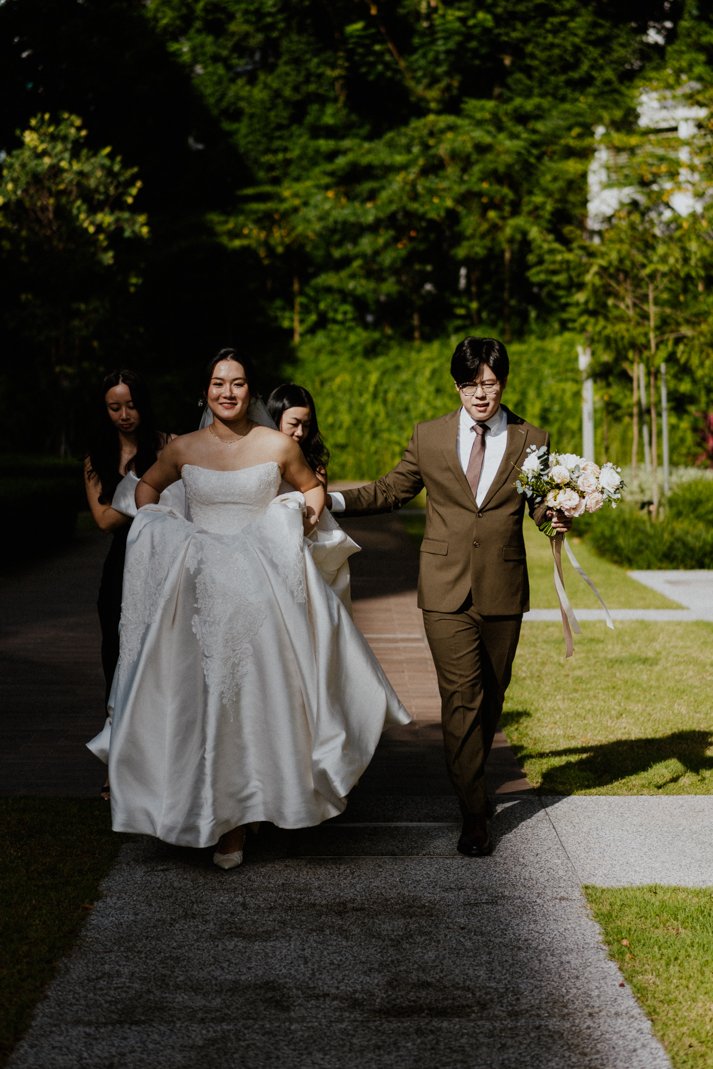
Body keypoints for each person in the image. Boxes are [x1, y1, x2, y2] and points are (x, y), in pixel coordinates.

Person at [88, 349, 410, 870]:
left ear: (250, 392)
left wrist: (300, 519)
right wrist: (165, 533)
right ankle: (211, 813)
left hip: (262, 590)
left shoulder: (277, 444)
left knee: (261, 702)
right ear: (205, 391)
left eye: (237, 383)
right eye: (218, 383)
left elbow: (312, 487)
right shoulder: (182, 448)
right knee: (202, 704)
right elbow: (146, 490)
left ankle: (259, 804)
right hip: (202, 595)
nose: (227, 392)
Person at [329, 336, 570, 858]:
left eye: (489, 383)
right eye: (469, 385)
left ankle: (470, 779)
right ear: (457, 386)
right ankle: (475, 813)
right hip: (443, 589)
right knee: (461, 698)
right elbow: (391, 490)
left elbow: (538, 504)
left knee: (492, 697)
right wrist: (329, 501)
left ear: (503, 382)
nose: (480, 394)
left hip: (503, 587)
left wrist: (556, 514)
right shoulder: (430, 436)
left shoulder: (532, 439)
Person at [83, 369, 174, 797]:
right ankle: (116, 761)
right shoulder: (95, 457)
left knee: (164, 661)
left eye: (131, 405)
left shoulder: (167, 445)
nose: (124, 415)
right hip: (122, 566)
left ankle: (163, 759)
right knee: (118, 659)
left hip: (166, 559)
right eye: (114, 407)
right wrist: (144, 491)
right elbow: (103, 520)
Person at [266, 383, 329, 484]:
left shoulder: (316, 470)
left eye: (306, 425)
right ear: (275, 419)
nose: (300, 432)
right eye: (293, 424)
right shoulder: (257, 455)